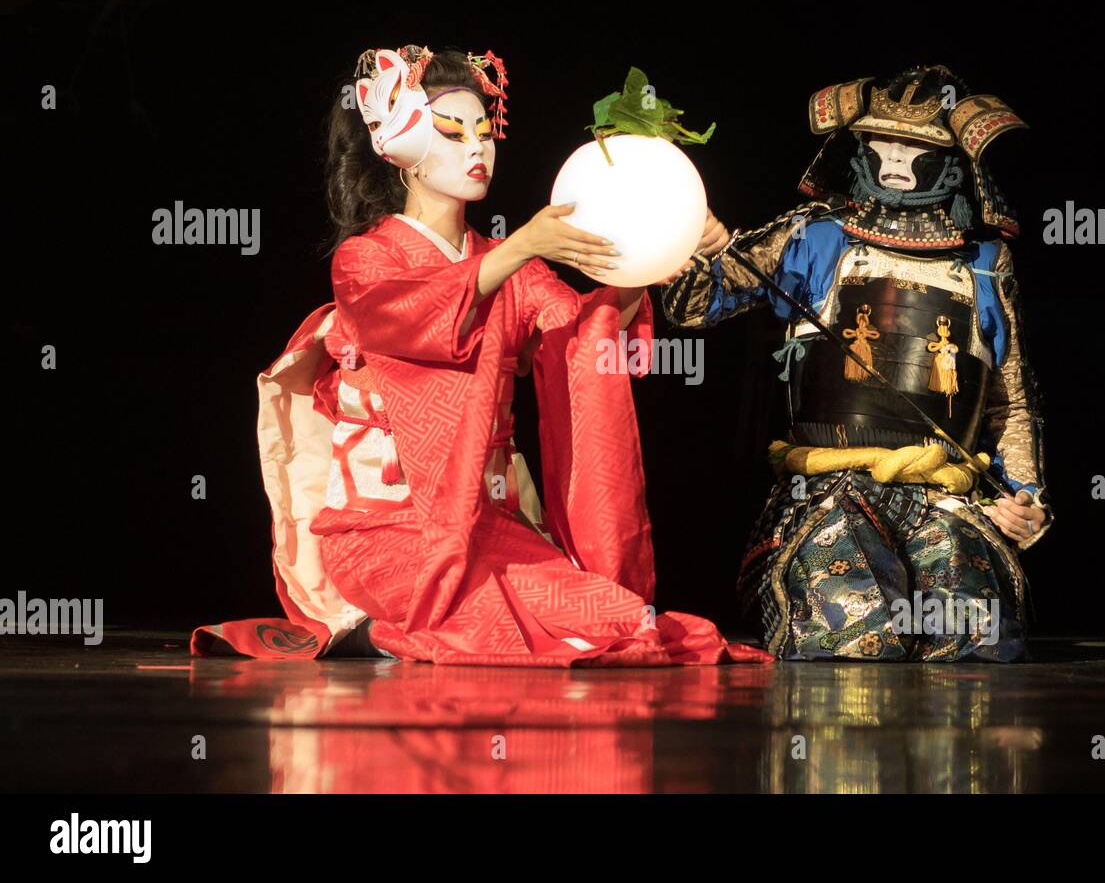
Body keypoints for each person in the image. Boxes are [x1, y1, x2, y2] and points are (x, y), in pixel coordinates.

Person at [191, 44, 768, 666]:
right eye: (452, 130)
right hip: (384, 532)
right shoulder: (366, 260)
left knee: (621, 626)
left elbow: (577, 345)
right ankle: (368, 633)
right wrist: (518, 248)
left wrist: (660, 249)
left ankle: (397, 640)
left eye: (484, 131)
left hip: (490, 529)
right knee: (494, 633)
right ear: (402, 150)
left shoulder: (508, 261)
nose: (477, 146)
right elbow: (410, 318)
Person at [662, 65, 1050, 661]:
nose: (894, 161)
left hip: (945, 498)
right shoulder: (815, 238)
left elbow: (1009, 399)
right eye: (881, 144)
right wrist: (693, 237)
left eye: (914, 148)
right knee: (855, 624)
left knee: (975, 635)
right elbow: (691, 307)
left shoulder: (984, 263)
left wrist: (1027, 501)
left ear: (949, 161)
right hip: (827, 491)